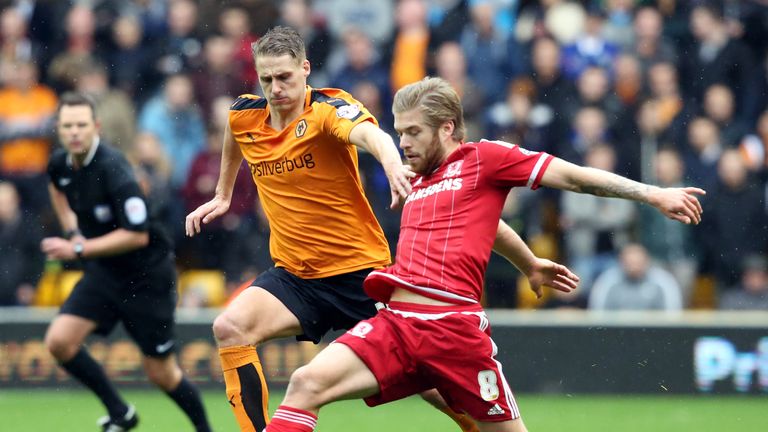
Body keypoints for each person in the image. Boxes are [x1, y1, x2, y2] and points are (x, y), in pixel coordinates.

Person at [184, 26, 572, 432]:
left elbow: (372, 135)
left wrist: (391, 165)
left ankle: (479, 425)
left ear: (305, 69)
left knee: (432, 385)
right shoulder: (245, 114)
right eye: (267, 80)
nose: (276, 88)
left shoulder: (328, 110)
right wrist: (223, 194)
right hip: (296, 276)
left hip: (360, 273)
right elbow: (235, 134)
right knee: (229, 327)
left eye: (285, 78)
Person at [263, 77, 705, 432]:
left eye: (414, 132)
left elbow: (573, 178)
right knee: (305, 383)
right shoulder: (418, 179)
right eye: (400, 133)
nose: (404, 144)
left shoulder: (487, 159)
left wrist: (652, 194)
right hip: (396, 326)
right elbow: (488, 225)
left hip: (454, 334)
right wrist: (529, 263)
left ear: (447, 128)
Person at [42, 93, 212, 432]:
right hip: (104, 271)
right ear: (59, 130)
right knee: (59, 342)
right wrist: (73, 228)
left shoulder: (114, 169)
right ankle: (120, 412)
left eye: (81, 125)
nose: (75, 132)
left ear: (96, 128)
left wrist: (79, 248)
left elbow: (137, 235)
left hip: (146, 277)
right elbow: (57, 188)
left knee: (161, 374)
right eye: (68, 125)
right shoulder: (60, 163)